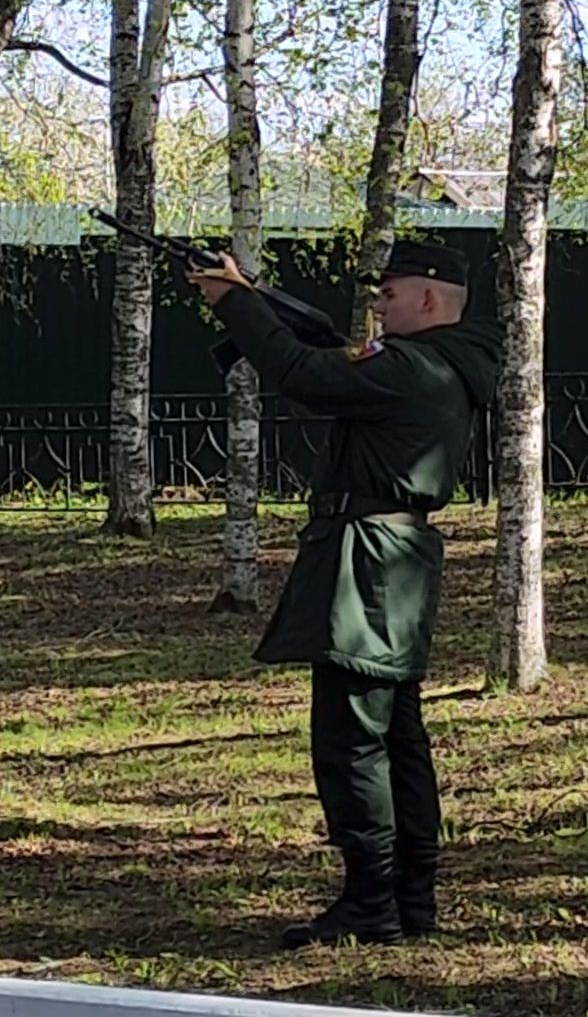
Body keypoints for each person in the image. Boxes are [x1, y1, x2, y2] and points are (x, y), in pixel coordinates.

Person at [186, 241, 502, 948]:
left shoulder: (414, 368)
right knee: (397, 736)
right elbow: (327, 369)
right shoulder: (440, 366)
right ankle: (410, 900)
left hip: (367, 562)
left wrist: (234, 301)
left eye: (389, 294)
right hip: (393, 558)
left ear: (428, 299)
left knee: (351, 739)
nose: (378, 307)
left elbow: (303, 375)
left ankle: (371, 902)